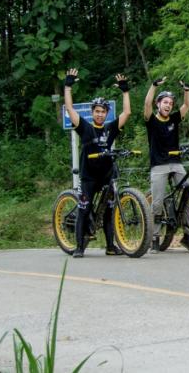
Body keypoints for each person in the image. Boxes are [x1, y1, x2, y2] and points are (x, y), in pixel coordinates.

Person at [63, 68, 131, 258]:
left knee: (109, 210)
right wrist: (68, 87)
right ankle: (79, 247)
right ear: (92, 112)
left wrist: (125, 91)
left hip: (107, 175)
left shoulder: (110, 128)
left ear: (107, 113)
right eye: (97, 111)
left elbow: (127, 112)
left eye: (103, 112)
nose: (100, 114)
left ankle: (110, 247)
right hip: (89, 177)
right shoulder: (84, 127)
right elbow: (70, 109)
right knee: (84, 210)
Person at [143, 76, 189, 254]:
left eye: (171, 103)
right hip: (159, 165)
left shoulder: (173, 119)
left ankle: (188, 236)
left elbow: (187, 105)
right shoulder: (151, 120)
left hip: (176, 163)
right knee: (157, 202)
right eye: (165, 102)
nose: (168, 105)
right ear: (158, 104)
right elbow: (146, 104)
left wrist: (187, 90)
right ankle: (155, 237)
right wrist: (154, 86)